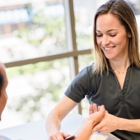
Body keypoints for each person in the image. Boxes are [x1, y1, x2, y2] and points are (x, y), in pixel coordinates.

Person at [46, 0, 140, 139]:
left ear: (129, 32)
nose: (104, 42)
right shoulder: (90, 75)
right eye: (99, 34)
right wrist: (55, 133)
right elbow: (55, 114)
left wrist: (118, 123)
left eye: (112, 34)